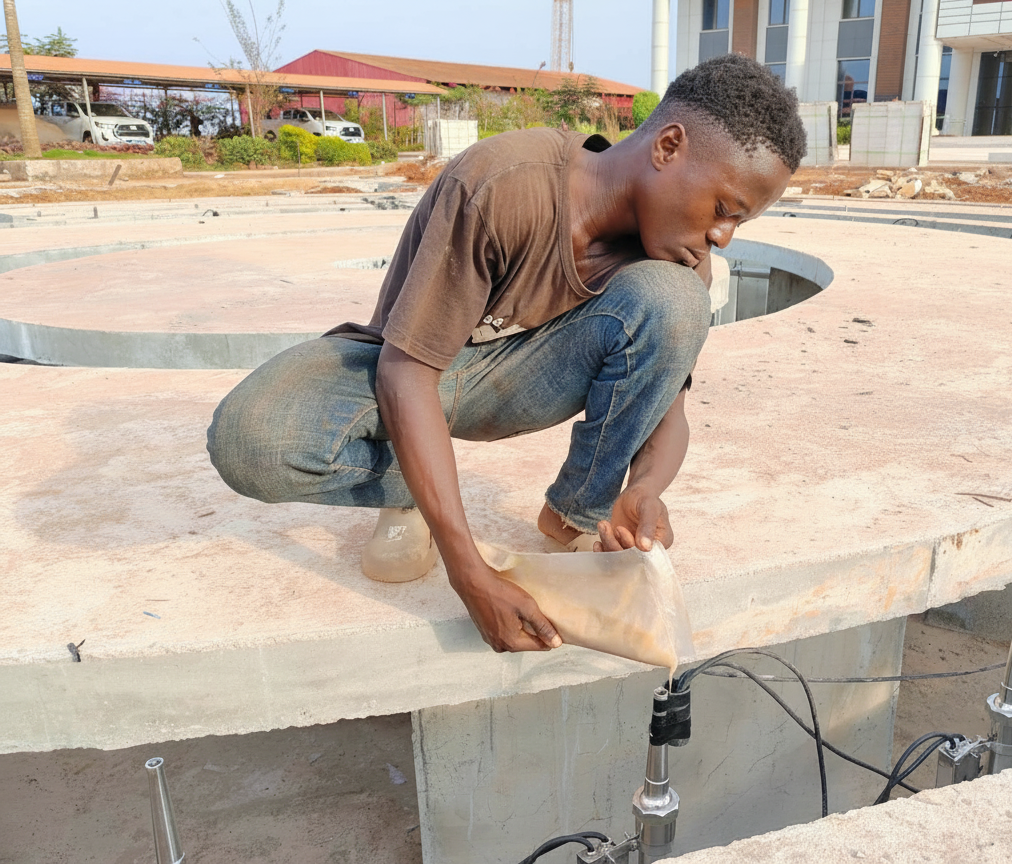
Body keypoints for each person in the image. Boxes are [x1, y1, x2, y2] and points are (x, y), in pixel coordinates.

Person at [207, 54, 806, 655]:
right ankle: (409, 491)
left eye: (741, 222)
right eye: (725, 209)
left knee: (678, 301)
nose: (723, 236)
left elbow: (667, 412)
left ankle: (579, 512)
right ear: (669, 145)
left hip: (522, 381)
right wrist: (467, 567)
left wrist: (646, 489)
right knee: (249, 438)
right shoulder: (505, 183)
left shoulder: (681, 263)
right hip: (413, 376)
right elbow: (405, 372)